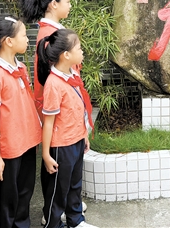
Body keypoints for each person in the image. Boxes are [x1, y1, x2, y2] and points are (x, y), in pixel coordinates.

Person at [0, 16, 42, 228]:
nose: (27, 40)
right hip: (7, 149)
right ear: (8, 41)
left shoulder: (20, 68)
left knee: (25, 194)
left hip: (27, 142)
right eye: (23, 36)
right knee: (6, 201)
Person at [37, 29, 96, 228]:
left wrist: (84, 135)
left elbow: (77, 110)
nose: (83, 51)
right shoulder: (54, 84)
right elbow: (49, 121)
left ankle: (76, 220)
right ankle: (53, 224)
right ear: (66, 55)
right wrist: (46, 154)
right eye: (79, 48)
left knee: (75, 185)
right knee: (58, 191)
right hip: (62, 145)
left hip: (76, 140)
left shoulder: (71, 75)